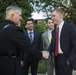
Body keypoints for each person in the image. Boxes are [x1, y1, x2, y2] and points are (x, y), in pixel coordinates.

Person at [0, 5, 49, 75]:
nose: (21, 18)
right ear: (12, 15)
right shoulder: (14, 29)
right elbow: (26, 46)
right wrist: (41, 54)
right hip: (11, 65)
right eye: (20, 15)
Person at [47, 8, 76, 75]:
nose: (52, 18)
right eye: (51, 16)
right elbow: (52, 45)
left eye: (53, 16)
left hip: (66, 60)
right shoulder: (54, 31)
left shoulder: (71, 28)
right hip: (56, 59)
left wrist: (69, 60)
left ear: (60, 15)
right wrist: (47, 52)